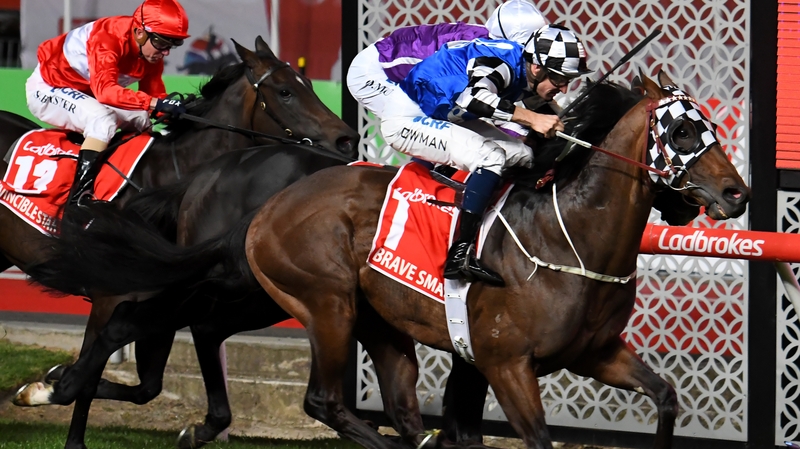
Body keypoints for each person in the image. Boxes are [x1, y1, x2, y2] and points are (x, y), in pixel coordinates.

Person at [380, 24, 592, 286]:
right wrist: (533, 119)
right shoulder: (500, 62)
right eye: (560, 79)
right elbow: (473, 99)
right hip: (408, 118)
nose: (564, 88)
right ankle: (460, 253)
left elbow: (540, 105)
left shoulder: (525, 70)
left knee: (523, 154)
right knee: (491, 157)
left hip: (444, 114)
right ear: (537, 67)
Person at [25, 0, 191, 205]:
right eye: (162, 43)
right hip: (48, 87)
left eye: (172, 44)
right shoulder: (109, 37)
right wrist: (155, 104)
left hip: (89, 94)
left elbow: (153, 97)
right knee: (102, 121)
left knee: (142, 119)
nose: (166, 52)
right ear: (140, 33)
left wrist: (178, 113)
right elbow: (105, 92)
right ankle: (79, 198)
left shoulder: (150, 53)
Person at [346, 0, 547, 120]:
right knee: (433, 124)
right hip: (374, 71)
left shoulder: (498, 44)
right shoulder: (491, 53)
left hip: (398, 61)